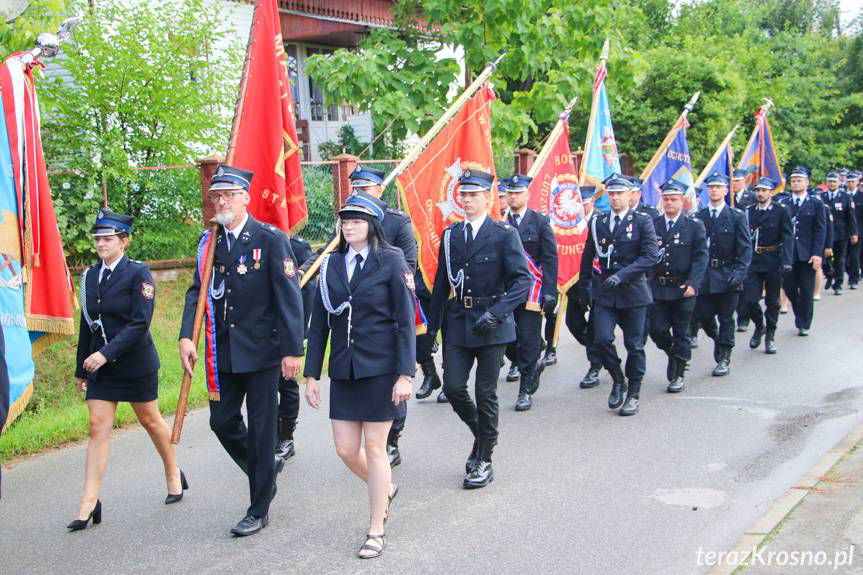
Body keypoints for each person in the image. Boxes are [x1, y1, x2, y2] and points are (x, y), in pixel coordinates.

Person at [179, 165, 304, 537]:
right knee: (222, 422)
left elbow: (289, 299)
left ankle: (258, 507)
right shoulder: (210, 242)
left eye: (229, 195)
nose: (222, 201)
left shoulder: (269, 239)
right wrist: (187, 336)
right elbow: (195, 292)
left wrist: (291, 350)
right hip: (225, 352)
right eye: (216, 196)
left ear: (246, 197)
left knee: (264, 429)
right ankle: (264, 470)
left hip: (264, 352)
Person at [302, 193, 414, 559]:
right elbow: (319, 324)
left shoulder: (391, 260)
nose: (349, 226)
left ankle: (376, 528)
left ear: (372, 225)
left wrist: (405, 374)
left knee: (374, 448)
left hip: (382, 369)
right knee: (345, 449)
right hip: (345, 369)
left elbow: (404, 322)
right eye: (344, 221)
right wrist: (312, 374)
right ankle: (385, 490)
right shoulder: (331, 264)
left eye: (357, 220)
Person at [70, 209, 185, 531]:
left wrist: (105, 354)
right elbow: (87, 325)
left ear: (124, 241)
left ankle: (172, 470)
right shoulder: (90, 276)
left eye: (107, 239)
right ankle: (88, 502)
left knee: (149, 420)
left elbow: (139, 324)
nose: (101, 244)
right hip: (100, 366)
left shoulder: (139, 274)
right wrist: (83, 366)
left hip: (134, 363)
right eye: (97, 239)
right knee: (97, 427)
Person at [301, 166, 421, 466]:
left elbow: (408, 269)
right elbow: (329, 256)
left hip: (383, 333)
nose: (357, 195)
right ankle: (384, 477)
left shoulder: (396, 225)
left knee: (378, 437)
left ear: (379, 191)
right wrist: (305, 270)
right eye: (354, 189)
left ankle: (392, 439)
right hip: (348, 352)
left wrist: (405, 373)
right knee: (347, 447)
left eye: (364, 189)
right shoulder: (344, 232)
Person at [428, 169, 530, 488]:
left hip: (492, 325)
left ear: (487, 197)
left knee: (485, 392)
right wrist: (431, 332)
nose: (467, 199)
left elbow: (523, 280)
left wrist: (498, 313)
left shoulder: (503, 234)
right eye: (464, 194)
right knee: (454, 388)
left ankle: (483, 457)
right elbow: (441, 284)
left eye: (474, 194)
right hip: (458, 321)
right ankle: (484, 435)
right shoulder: (450, 235)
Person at [576, 174, 659, 416]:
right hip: (605, 293)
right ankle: (617, 378)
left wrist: (622, 275)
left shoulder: (642, 221)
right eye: (611, 193)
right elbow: (588, 254)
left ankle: (633, 392)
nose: (615, 197)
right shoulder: (598, 222)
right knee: (601, 339)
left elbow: (650, 256)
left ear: (629, 195)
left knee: (634, 345)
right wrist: (584, 285)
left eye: (619, 193)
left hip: (633, 293)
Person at [500, 174, 558, 411]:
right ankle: (531, 367)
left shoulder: (540, 221)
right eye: (510, 193)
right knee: (506, 341)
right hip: (505, 291)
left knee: (528, 339)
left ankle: (524, 389)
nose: (513, 197)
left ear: (527, 194)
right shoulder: (499, 223)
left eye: (518, 192)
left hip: (532, 293)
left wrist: (550, 291)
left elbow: (550, 258)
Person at [648, 179, 708, 393]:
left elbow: (701, 258)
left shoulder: (694, 226)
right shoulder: (652, 224)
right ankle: (674, 353)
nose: (669, 203)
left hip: (683, 287)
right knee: (656, 329)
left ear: (683, 201)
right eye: (665, 199)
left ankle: (679, 373)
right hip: (657, 287)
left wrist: (693, 283)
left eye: (673, 199)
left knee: (682, 331)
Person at [694, 172, 751, 376]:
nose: (714, 190)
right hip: (705, 277)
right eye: (711, 187)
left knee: (727, 318)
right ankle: (718, 339)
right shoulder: (698, 217)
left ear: (726, 190)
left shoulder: (736, 217)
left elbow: (745, 249)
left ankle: (725, 355)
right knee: (703, 316)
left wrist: (739, 274)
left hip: (728, 275)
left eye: (718, 187)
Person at [274, 234, 315, 464]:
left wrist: (300, 332)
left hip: (289, 326)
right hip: (261, 327)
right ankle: (270, 434)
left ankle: (286, 437)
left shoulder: (296, 245)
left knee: (286, 381)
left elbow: (306, 287)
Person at [744, 177, 793, 354]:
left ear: (771, 192)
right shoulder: (749, 211)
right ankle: (759, 326)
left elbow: (788, 236)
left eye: (764, 190)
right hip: (754, 260)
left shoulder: (781, 211)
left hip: (774, 259)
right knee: (749, 299)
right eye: (758, 190)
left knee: (773, 302)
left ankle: (770, 335)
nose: (760, 193)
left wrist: (787, 260)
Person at [778, 166, 827, 335]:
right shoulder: (783, 203)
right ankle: (800, 311)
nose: (796, 183)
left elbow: (820, 230)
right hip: (788, 253)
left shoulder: (816, 203)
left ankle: (804, 323)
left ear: (807, 182)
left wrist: (817, 253)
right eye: (793, 180)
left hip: (808, 253)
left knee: (806, 289)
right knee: (789, 286)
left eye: (799, 180)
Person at [564, 187, 605, 389]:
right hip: (575, 283)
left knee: (599, 328)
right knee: (573, 323)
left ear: (592, 202)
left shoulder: (600, 221)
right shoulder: (568, 223)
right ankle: (599, 350)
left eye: (585, 201)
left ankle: (595, 365)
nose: (582, 205)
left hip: (598, 284)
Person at [822, 171, 858, 295]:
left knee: (840, 259)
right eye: (830, 181)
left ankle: (838, 284)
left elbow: (851, 217)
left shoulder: (845, 197)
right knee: (824, 260)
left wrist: (853, 233)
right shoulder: (821, 197)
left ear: (839, 183)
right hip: (825, 233)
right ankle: (829, 274)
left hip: (841, 233)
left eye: (834, 181)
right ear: (827, 182)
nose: (832, 184)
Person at [847, 171, 863, 289]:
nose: (851, 183)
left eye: (853, 181)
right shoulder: (843, 196)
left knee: (854, 255)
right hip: (844, 232)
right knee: (844, 258)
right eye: (849, 181)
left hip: (859, 231)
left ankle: (854, 279)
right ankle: (851, 273)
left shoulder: (861, 196)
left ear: (857, 183)